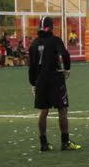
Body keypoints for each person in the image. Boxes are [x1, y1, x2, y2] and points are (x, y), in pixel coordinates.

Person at [29, 16, 80, 152]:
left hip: (40, 81)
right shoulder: (55, 40)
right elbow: (65, 54)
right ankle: (65, 142)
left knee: (43, 112)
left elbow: (32, 67)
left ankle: (44, 143)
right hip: (55, 79)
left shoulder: (34, 44)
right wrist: (67, 68)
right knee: (62, 110)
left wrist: (33, 83)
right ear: (51, 27)